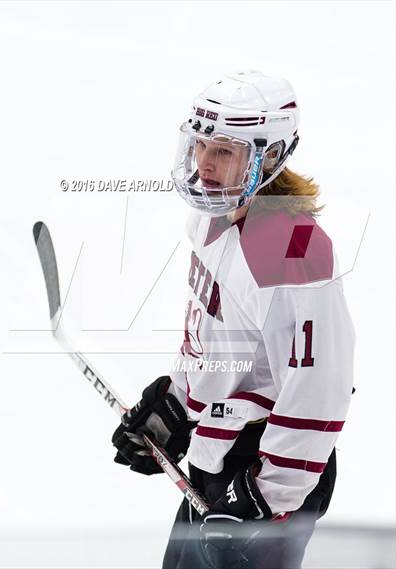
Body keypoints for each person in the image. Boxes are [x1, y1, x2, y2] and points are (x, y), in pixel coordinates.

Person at [112, 70, 356, 569]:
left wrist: (268, 496)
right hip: (218, 455)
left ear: (268, 156)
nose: (203, 163)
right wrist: (177, 407)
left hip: (267, 469)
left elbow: (321, 385)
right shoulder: (211, 218)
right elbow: (214, 337)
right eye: (201, 144)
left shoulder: (292, 247)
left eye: (224, 150)